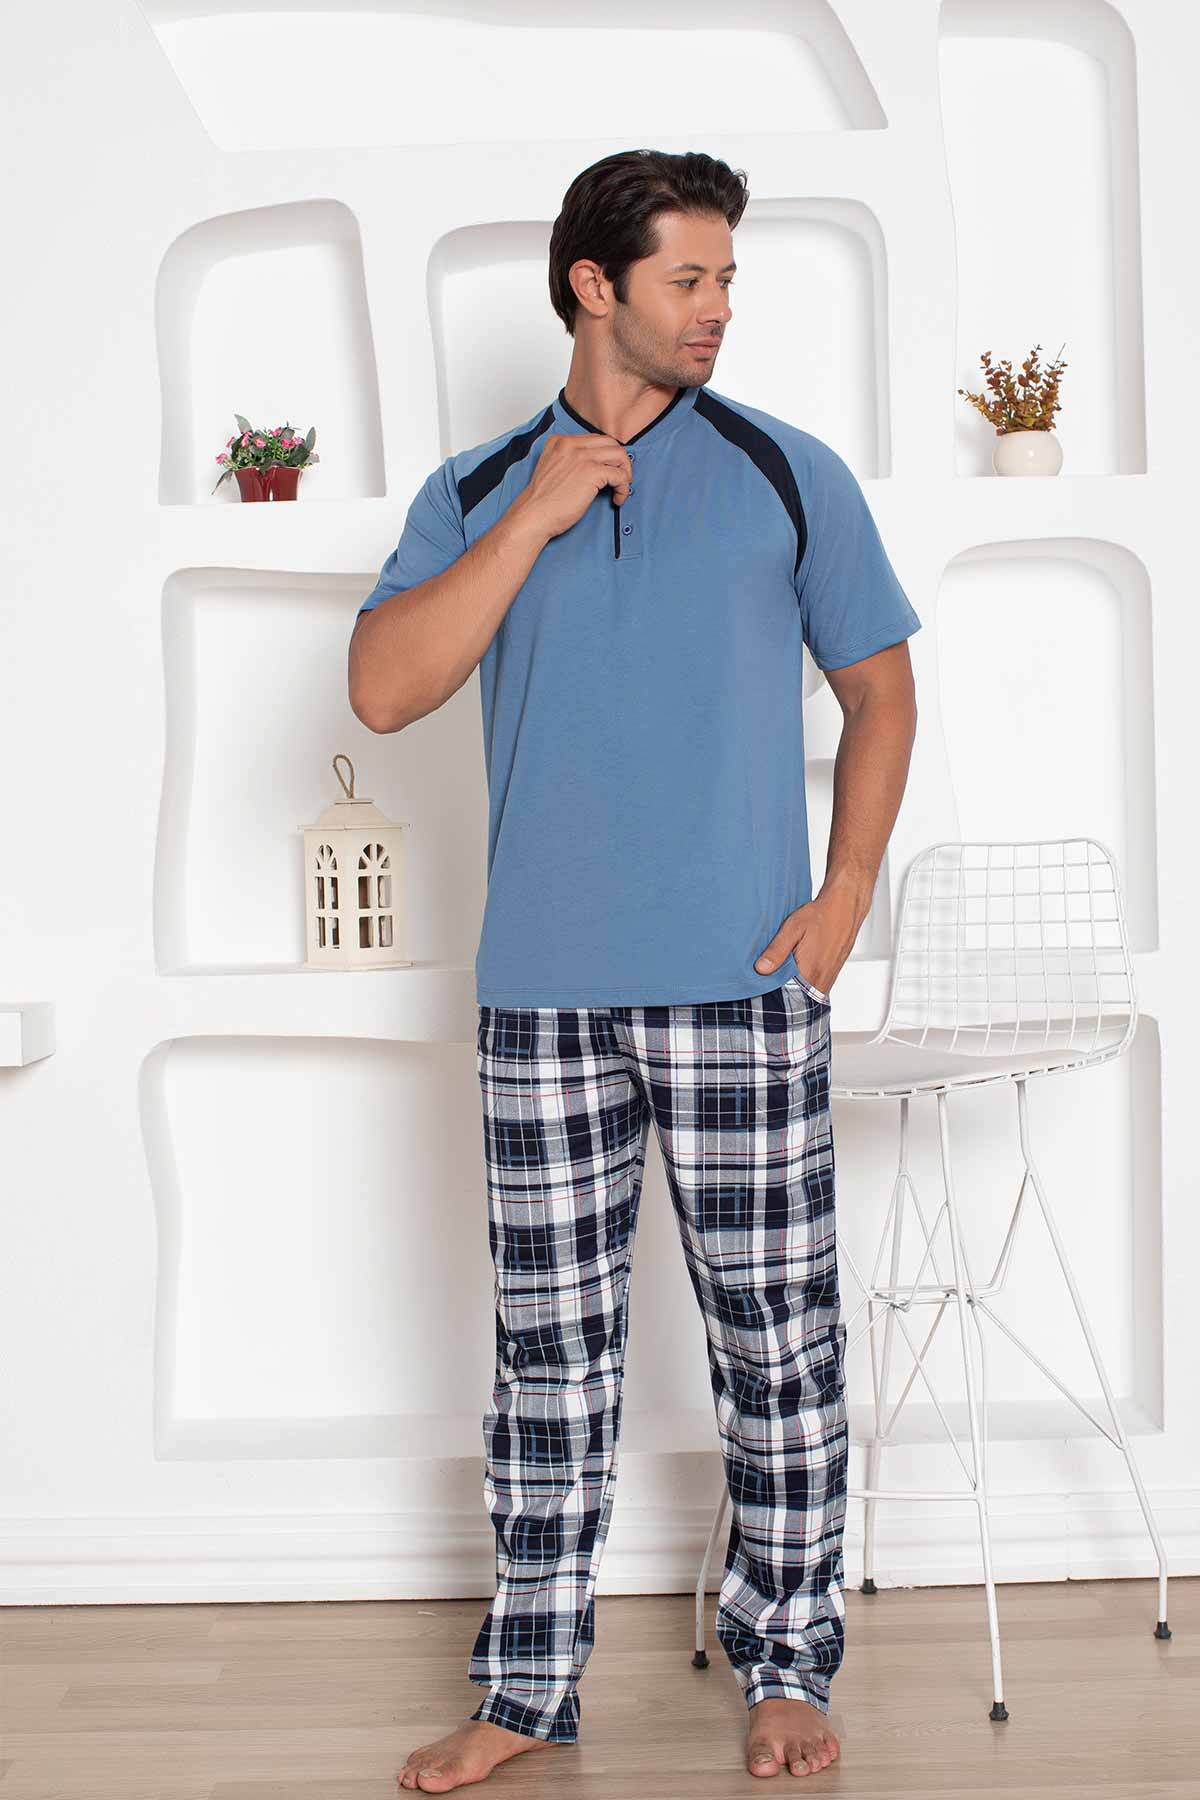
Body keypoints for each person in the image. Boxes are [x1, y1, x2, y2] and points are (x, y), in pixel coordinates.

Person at [349, 148, 920, 1792]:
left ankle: (789, 1664)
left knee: (774, 1344)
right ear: (594, 286)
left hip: (742, 983)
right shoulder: (476, 489)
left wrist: (845, 894)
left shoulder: (784, 470)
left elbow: (881, 691)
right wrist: (535, 516)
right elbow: (384, 687)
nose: (719, 306)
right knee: (550, 1360)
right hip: (539, 997)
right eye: (690, 278)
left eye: (728, 278)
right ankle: (528, 1689)